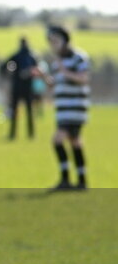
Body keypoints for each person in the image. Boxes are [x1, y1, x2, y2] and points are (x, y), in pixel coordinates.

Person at [36, 26, 90, 190]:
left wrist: (65, 71)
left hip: (75, 108)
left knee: (57, 140)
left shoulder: (78, 57)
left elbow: (83, 78)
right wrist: (43, 76)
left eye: (55, 41)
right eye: (50, 42)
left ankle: (65, 179)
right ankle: (81, 181)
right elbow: (54, 85)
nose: (52, 44)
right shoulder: (56, 61)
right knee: (75, 142)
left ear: (65, 40)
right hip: (62, 109)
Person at [0, 37, 37, 140]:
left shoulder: (24, 56)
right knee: (20, 111)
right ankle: (22, 134)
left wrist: (28, 73)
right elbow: (5, 67)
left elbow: (36, 70)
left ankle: (26, 134)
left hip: (22, 87)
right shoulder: (28, 56)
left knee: (24, 111)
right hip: (23, 87)